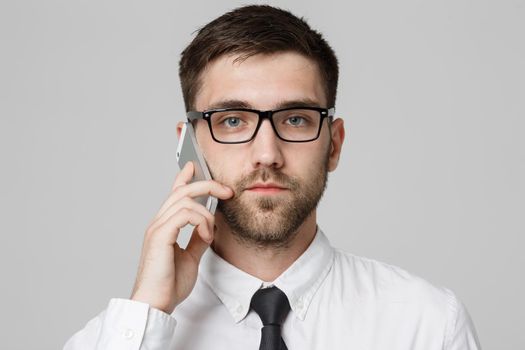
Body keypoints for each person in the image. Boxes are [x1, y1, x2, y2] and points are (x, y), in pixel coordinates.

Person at [64, 5, 481, 350]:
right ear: (189, 147)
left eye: (296, 119)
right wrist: (148, 311)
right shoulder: (117, 335)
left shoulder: (426, 325)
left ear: (333, 144)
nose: (267, 154)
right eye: (232, 120)